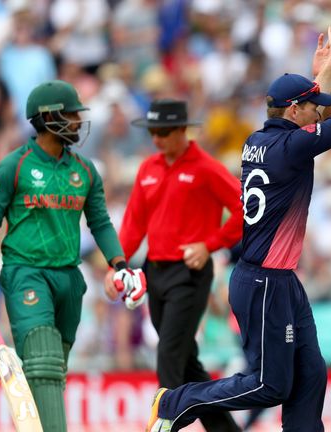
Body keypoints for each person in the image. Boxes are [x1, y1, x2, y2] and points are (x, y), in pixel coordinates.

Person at [145, 17, 331, 432]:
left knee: (311, 373)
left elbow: (312, 114)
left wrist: (324, 69)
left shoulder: (260, 140)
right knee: (269, 384)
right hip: (264, 282)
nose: (318, 112)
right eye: (312, 106)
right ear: (293, 111)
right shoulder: (293, 146)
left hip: (277, 279)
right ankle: (176, 401)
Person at [0, 79, 147, 432]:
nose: (78, 121)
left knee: (49, 371)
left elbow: (101, 223)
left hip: (69, 279)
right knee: (44, 363)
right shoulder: (13, 166)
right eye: (72, 114)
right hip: (26, 273)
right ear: (48, 118)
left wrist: (120, 266)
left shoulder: (85, 170)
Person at [108, 98, 245, 432]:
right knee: (186, 361)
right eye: (154, 131)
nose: (157, 138)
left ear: (183, 130)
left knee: (169, 352)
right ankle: (225, 430)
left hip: (190, 273)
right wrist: (117, 266)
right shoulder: (148, 169)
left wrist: (210, 245)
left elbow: (247, 209)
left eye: (165, 132)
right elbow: (134, 224)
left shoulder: (206, 167)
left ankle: (165, 421)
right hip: (155, 272)